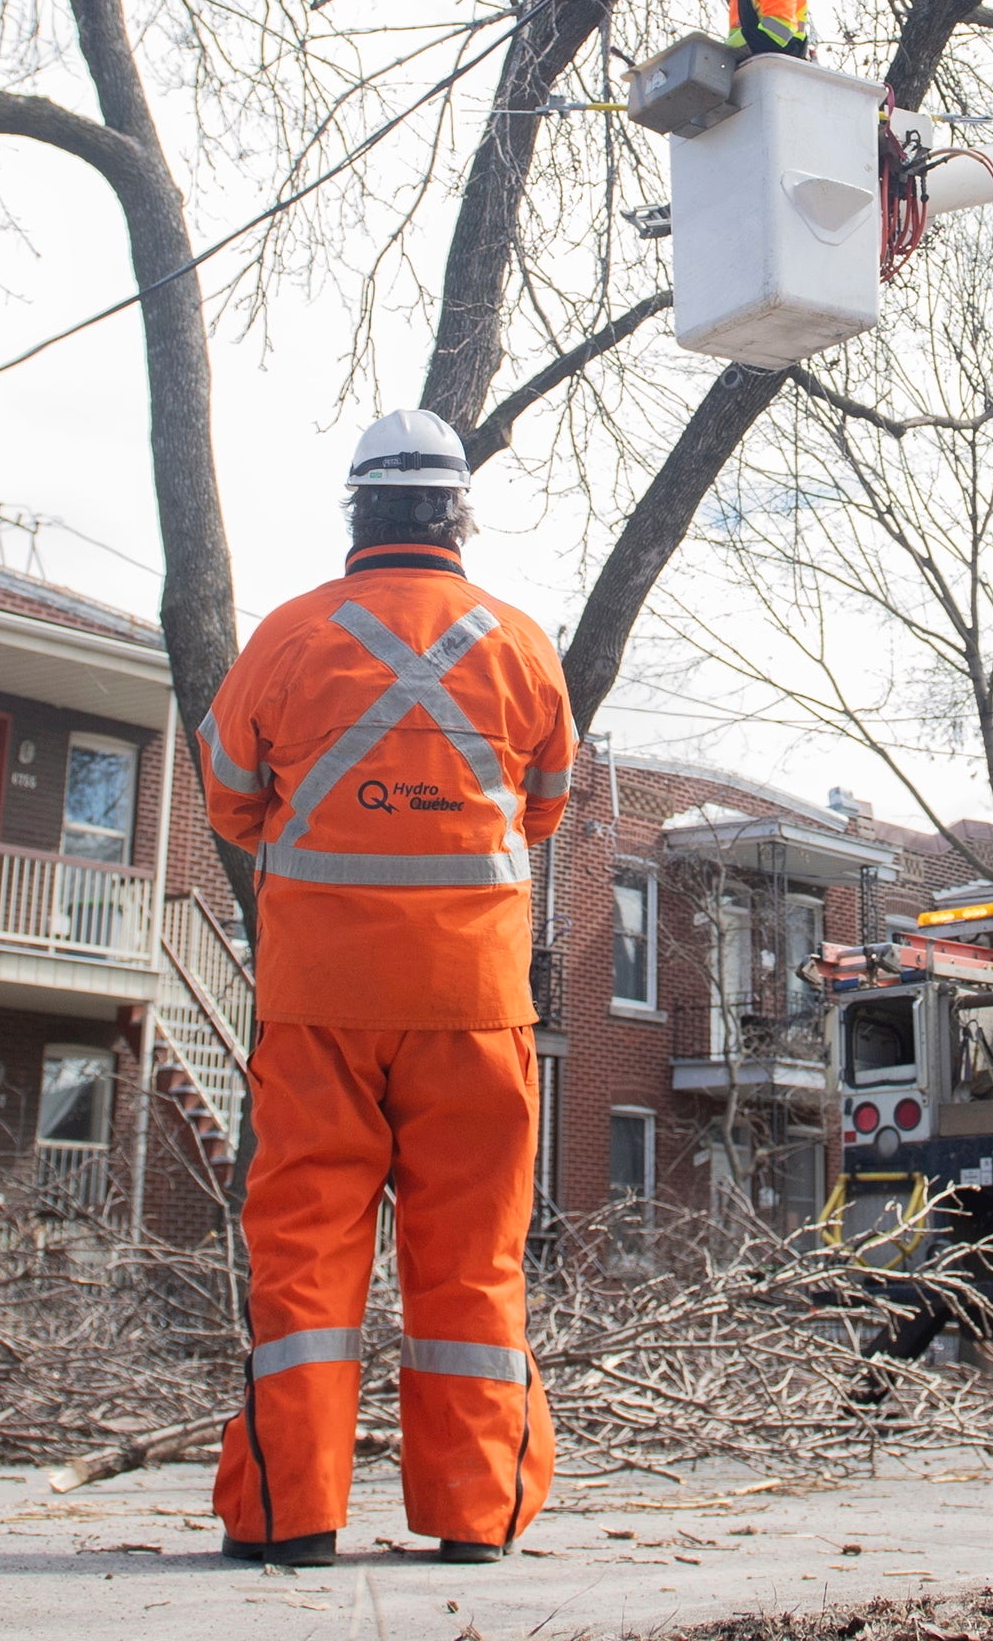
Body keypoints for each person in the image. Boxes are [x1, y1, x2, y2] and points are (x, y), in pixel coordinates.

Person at [202, 408, 576, 1567]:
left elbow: (228, 795)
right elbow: (546, 805)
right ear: (457, 512)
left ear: (357, 511)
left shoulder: (286, 638)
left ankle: (290, 1516)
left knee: (305, 1256)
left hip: (321, 1002)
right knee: (472, 1258)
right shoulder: (520, 645)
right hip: (475, 1003)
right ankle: (476, 1516)